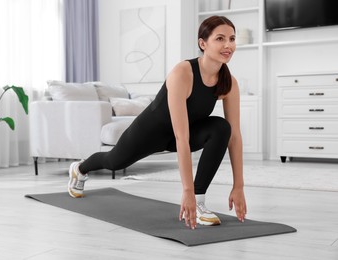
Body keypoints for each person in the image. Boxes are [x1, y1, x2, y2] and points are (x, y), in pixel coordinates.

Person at [67, 15, 247, 229]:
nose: (228, 45)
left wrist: (239, 186)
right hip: (151, 131)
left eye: (232, 39)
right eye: (220, 39)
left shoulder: (229, 83)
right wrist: (185, 191)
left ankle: (200, 203)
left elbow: (234, 136)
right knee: (114, 161)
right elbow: (182, 137)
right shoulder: (183, 73)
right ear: (202, 43)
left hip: (184, 134)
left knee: (221, 128)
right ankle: (80, 168)